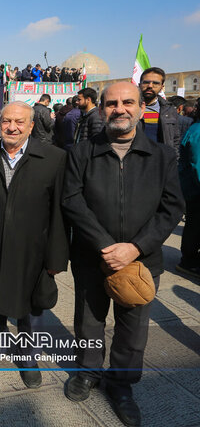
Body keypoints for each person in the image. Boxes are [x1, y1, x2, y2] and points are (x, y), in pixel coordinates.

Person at [62, 81, 184, 427]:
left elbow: (172, 207)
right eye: (112, 103)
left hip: (142, 261)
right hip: (91, 257)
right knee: (88, 320)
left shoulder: (161, 155)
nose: (120, 109)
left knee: (133, 329)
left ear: (140, 107)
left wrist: (135, 248)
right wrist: (105, 245)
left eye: (127, 102)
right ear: (101, 110)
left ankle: (122, 384)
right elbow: (72, 201)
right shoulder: (82, 153)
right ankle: (87, 372)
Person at [0, 101, 68, 387]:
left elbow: (59, 214)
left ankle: (28, 357)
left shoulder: (53, 158)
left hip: (33, 250)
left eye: (19, 122)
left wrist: (56, 258)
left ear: (31, 126)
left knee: (32, 307)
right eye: (7, 121)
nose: (12, 127)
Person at [177, 98, 200, 279]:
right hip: (195, 189)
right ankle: (189, 261)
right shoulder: (197, 131)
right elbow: (197, 165)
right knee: (194, 225)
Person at [139, 67, 180, 156]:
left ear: (162, 87)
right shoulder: (128, 108)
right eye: (146, 82)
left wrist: (173, 161)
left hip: (161, 161)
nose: (150, 86)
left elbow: (175, 139)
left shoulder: (169, 110)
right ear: (139, 84)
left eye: (155, 83)